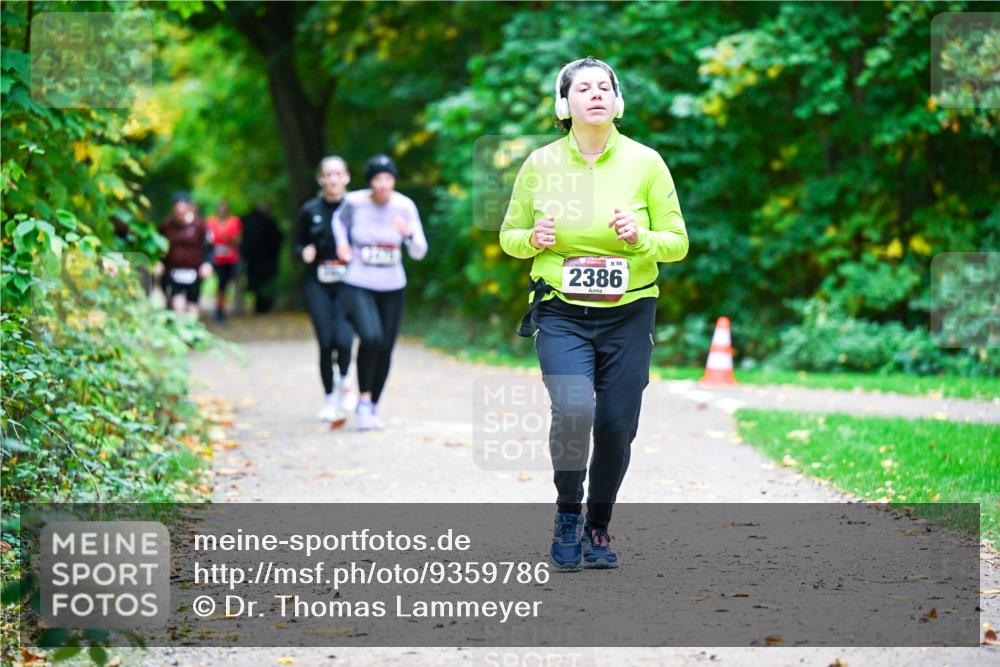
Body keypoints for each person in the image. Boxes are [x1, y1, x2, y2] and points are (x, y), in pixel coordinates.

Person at [499, 57, 689, 570]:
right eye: (583, 88)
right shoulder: (540, 164)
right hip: (560, 310)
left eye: (605, 87)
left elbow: (677, 243)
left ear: (617, 100)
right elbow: (509, 237)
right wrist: (531, 239)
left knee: (614, 424)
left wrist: (641, 237)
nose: (596, 94)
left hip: (629, 313)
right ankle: (567, 514)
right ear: (565, 104)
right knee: (574, 410)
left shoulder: (646, 163)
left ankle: (598, 526)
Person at [333, 154, 427, 431]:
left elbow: (420, 251)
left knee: (385, 346)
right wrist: (343, 245)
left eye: (388, 178)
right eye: (377, 179)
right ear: (370, 181)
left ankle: (372, 404)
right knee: (370, 337)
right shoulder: (355, 202)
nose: (383, 184)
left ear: (394, 180)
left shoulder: (404, 206)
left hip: (393, 285)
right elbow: (339, 221)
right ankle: (362, 401)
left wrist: (408, 233)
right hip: (359, 281)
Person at [296, 156, 356, 423]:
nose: (333, 179)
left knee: (344, 341)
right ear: (321, 179)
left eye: (338, 174)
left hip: (349, 282)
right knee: (326, 342)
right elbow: (297, 243)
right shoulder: (310, 209)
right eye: (328, 174)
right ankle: (329, 398)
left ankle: (345, 384)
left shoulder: (356, 208)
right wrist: (304, 252)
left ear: (347, 177)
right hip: (317, 282)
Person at [155, 192, 213, 315]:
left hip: (194, 271)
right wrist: (158, 262)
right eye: (177, 210)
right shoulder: (166, 225)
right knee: (177, 303)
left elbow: (209, 247)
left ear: (188, 207)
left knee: (192, 304)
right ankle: (179, 327)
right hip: (173, 270)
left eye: (182, 210)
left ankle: (192, 328)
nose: (180, 213)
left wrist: (207, 264)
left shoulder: (199, 226)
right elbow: (157, 245)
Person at [240, 201, 283, 314]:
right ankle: (259, 306)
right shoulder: (264, 222)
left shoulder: (267, 222)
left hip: (262, 260)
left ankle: (262, 306)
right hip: (256, 259)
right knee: (257, 283)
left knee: (262, 284)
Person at [206, 200, 242, 322]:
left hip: (230, 258)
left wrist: (227, 238)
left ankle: (223, 308)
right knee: (220, 284)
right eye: (220, 208)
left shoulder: (234, 221)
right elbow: (208, 240)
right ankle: (218, 309)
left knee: (225, 284)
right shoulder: (210, 222)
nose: (222, 211)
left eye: (224, 208)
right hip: (216, 258)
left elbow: (237, 239)